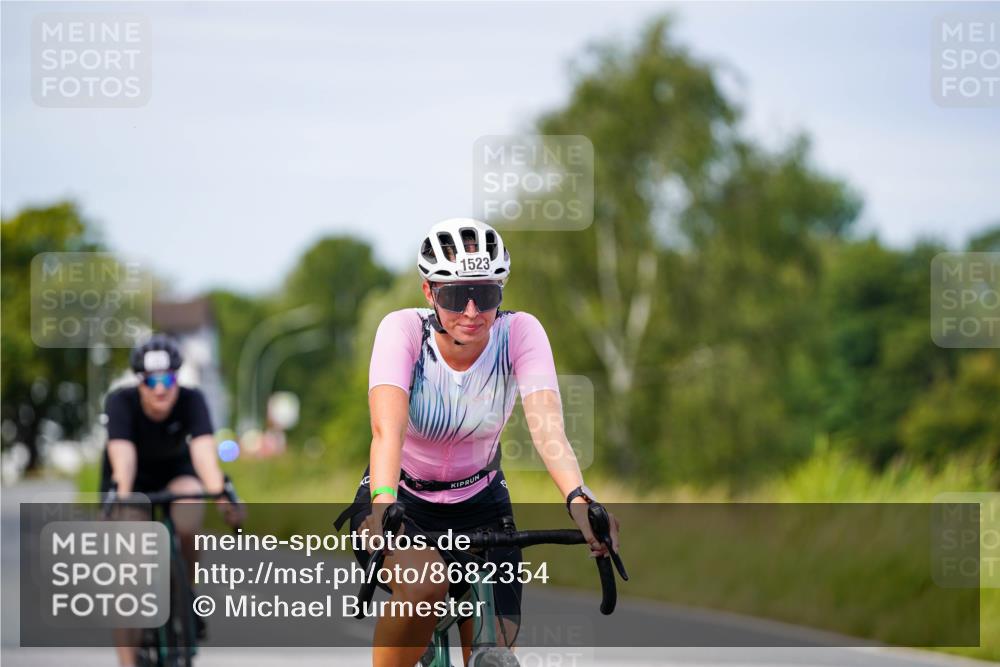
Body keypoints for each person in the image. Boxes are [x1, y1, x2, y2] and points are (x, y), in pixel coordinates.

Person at [339, 218, 621, 667]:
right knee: (425, 586)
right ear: (429, 292)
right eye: (454, 295)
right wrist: (381, 506)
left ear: (501, 292)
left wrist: (579, 498)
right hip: (403, 499)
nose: (471, 310)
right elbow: (385, 432)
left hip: (483, 502)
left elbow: (548, 429)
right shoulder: (403, 331)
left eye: (486, 294)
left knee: (494, 654)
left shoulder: (520, 333)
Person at [101, 334, 240, 666]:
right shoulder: (120, 402)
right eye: (151, 381)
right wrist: (121, 500)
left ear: (177, 378)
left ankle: (184, 589)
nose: (160, 388)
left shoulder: (192, 400)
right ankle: (129, 661)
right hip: (131, 481)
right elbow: (124, 461)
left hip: (176, 474)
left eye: (167, 379)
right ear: (140, 382)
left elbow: (205, 457)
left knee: (190, 511)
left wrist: (223, 497)